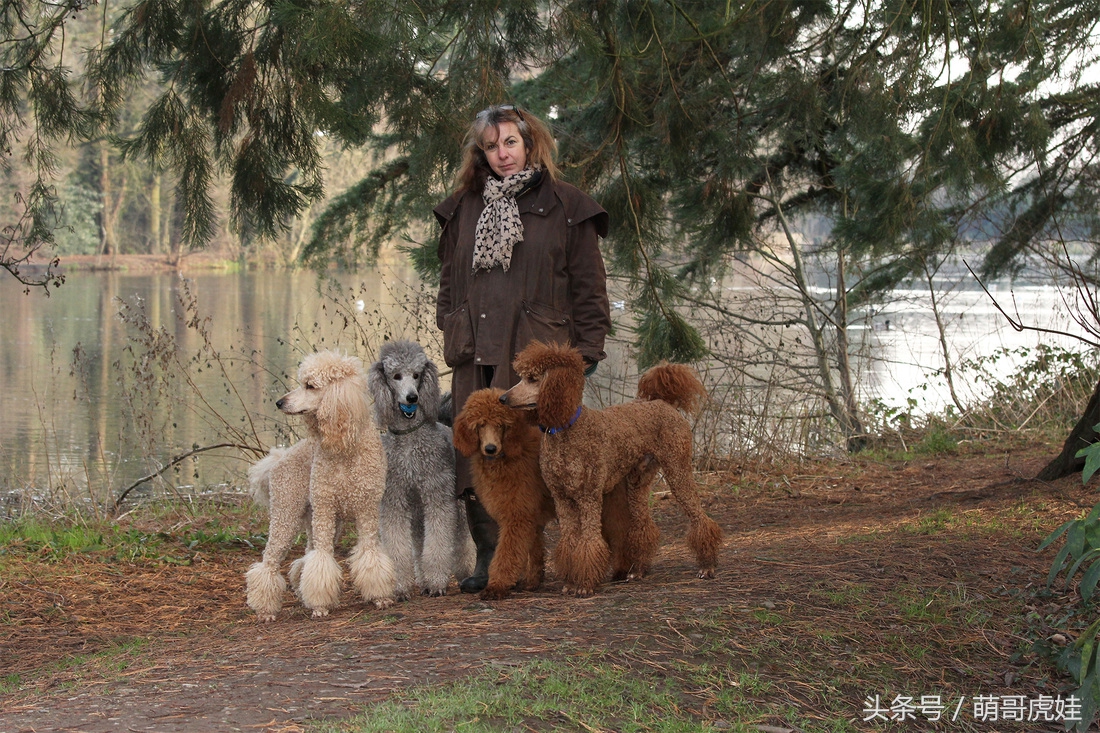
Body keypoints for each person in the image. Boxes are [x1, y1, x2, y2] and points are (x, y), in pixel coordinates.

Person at [434, 104, 612, 593]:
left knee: (547, 455)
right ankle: (491, 557)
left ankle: (567, 552)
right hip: (474, 348)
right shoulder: (463, 207)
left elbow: (589, 288)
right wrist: (449, 321)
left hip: (536, 353)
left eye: (510, 142)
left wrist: (587, 351)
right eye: (491, 146)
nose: (502, 154)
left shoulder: (567, 206)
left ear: (531, 144)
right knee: (477, 451)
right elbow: (449, 280)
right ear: (481, 153)